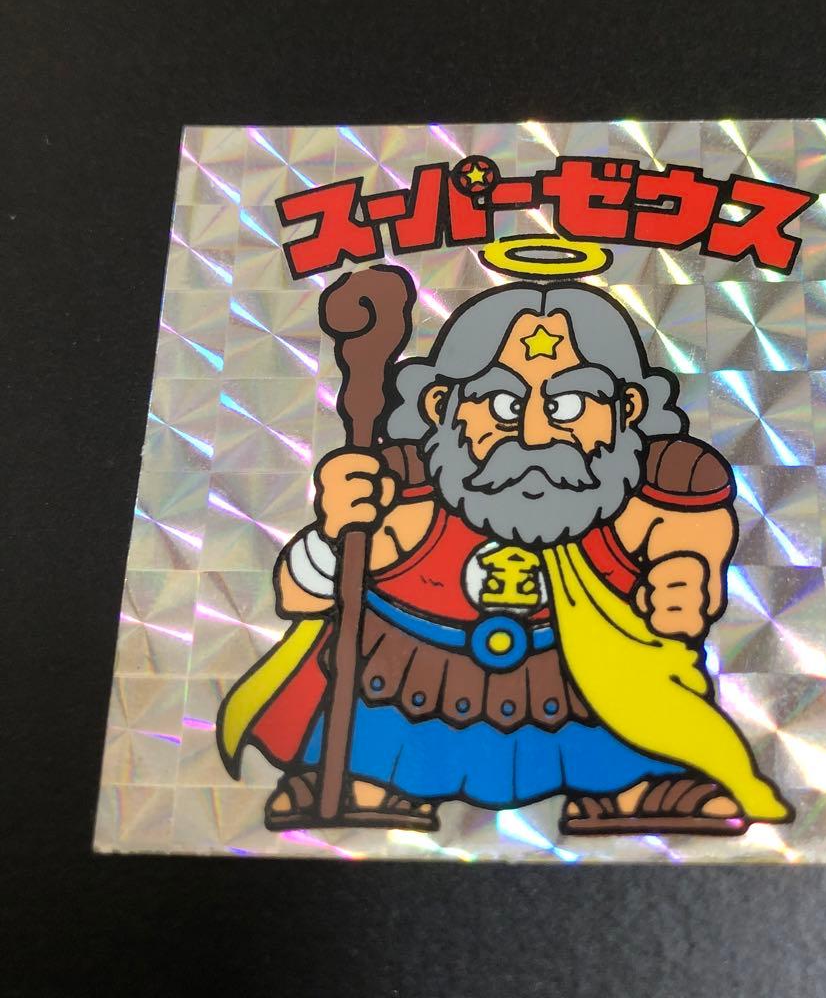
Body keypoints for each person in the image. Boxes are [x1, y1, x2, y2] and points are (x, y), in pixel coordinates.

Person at [218, 281, 792, 835]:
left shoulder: (648, 488)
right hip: (409, 691)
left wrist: (684, 574)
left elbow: (687, 535)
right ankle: (372, 777)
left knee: (628, 728)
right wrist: (335, 533)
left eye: (569, 403)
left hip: (583, 697)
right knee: (377, 748)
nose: (536, 432)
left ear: (628, 407)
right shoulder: (402, 491)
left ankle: (629, 783)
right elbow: (302, 595)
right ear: (442, 405)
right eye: (501, 402)